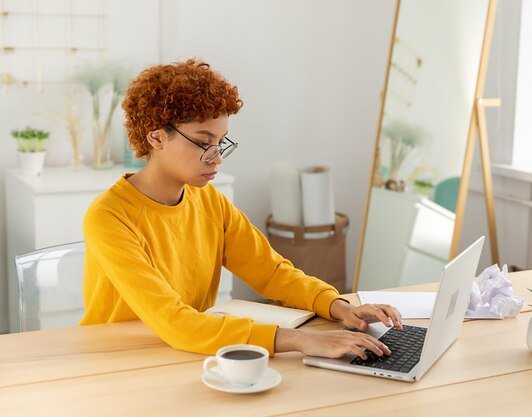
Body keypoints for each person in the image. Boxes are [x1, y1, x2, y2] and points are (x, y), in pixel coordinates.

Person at [79, 58, 403, 361]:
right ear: (156, 137)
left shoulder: (211, 202)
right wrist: (300, 340)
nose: (217, 157)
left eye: (221, 143)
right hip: (116, 358)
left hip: (187, 351)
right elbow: (174, 321)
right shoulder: (109, 217)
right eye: (204, 142)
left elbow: (271, 272)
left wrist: (336, 306)